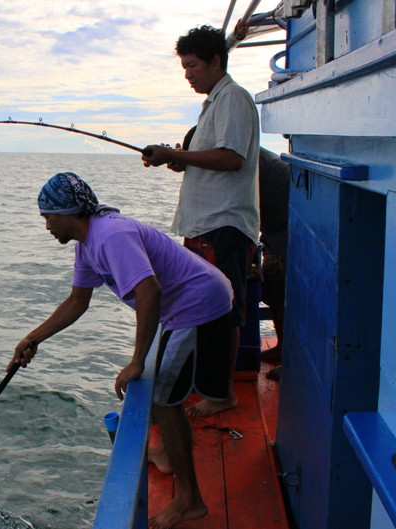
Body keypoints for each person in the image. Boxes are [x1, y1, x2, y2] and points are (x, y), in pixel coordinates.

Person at [9, 172, 233, 529]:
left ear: (69, 212)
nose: (47, 225)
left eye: (49, 216)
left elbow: (149, 292)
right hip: (184, 308)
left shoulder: (111, 236)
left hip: (198, 303)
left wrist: (135, 361)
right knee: (163, 394)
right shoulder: (87, 243)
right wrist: (32, 339)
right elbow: (77, 301)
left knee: (162, 397)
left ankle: (189, 498)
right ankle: (165, 454)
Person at [141, 25, 260, 417]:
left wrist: (180, 155)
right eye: (184, 67)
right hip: (205, 223)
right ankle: (208, 385)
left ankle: (222, 392)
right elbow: (211, 158)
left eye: (192, 65)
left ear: (215, 61)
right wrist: (178, 159)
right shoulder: (213, 104)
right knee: (210, 307)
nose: (188, 74)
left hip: (224, 224)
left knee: (225, 310)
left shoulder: (234, 100)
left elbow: (231, 157)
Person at [256, 147, 290, 379]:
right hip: (272, 235)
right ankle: (282, 347)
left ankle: (293, 361)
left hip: (290, 234)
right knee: (274, 293)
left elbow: (243, 208)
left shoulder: (246, 159)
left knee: (293, 300)